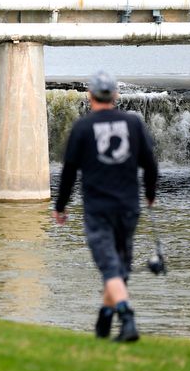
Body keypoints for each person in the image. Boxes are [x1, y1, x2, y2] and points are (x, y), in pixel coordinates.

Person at [52, 71, 158, 342]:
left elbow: (69, 173)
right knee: (119, 266)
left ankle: (127, 316)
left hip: (98, 208)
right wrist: (149, 194)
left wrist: (60, 206)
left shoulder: (83, 127)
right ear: (115, 95)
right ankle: (104, 320)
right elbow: (151, 165)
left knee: (110, 266)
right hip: (128, 207)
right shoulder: (133, 123)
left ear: (90, 96)